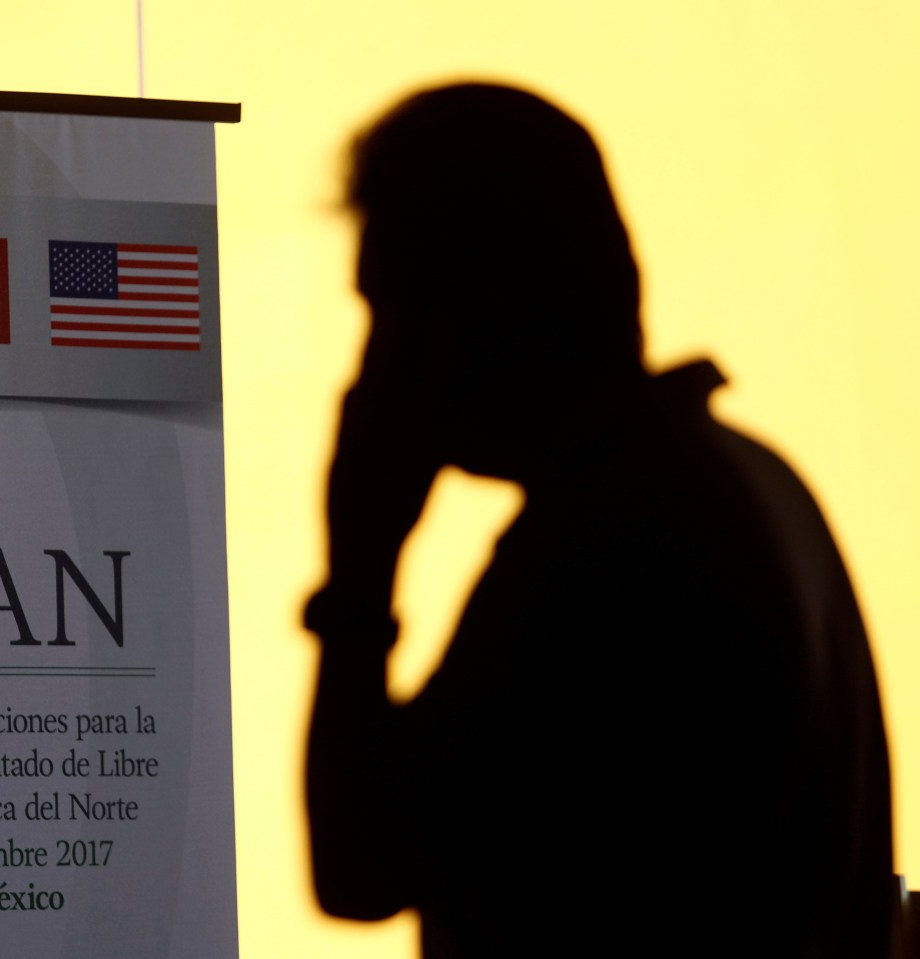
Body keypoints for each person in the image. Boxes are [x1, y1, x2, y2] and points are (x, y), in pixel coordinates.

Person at [303, 83, 893, 957]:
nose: (373, 363)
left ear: (480, 306)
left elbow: (359, 866)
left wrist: (359, 571)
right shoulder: (751, 485)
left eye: (391, 308)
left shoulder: (604, 544)